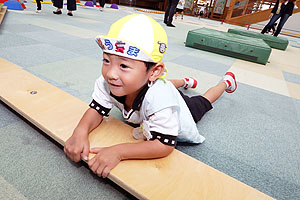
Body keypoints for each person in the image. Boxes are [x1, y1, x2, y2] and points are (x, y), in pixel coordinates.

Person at [63, 14, 237, 178]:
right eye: (106, 61)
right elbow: (96, 109)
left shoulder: (160, 98)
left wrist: (118, 151)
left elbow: (164, 145)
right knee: (164, 83)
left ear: (154, 71)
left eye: (123, 65)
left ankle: (225, 83)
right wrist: (80, 131)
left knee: (203, 100)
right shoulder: (107, 82)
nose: (111, 74)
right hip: (157, 87)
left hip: (180, 108)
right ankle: (185, 81)